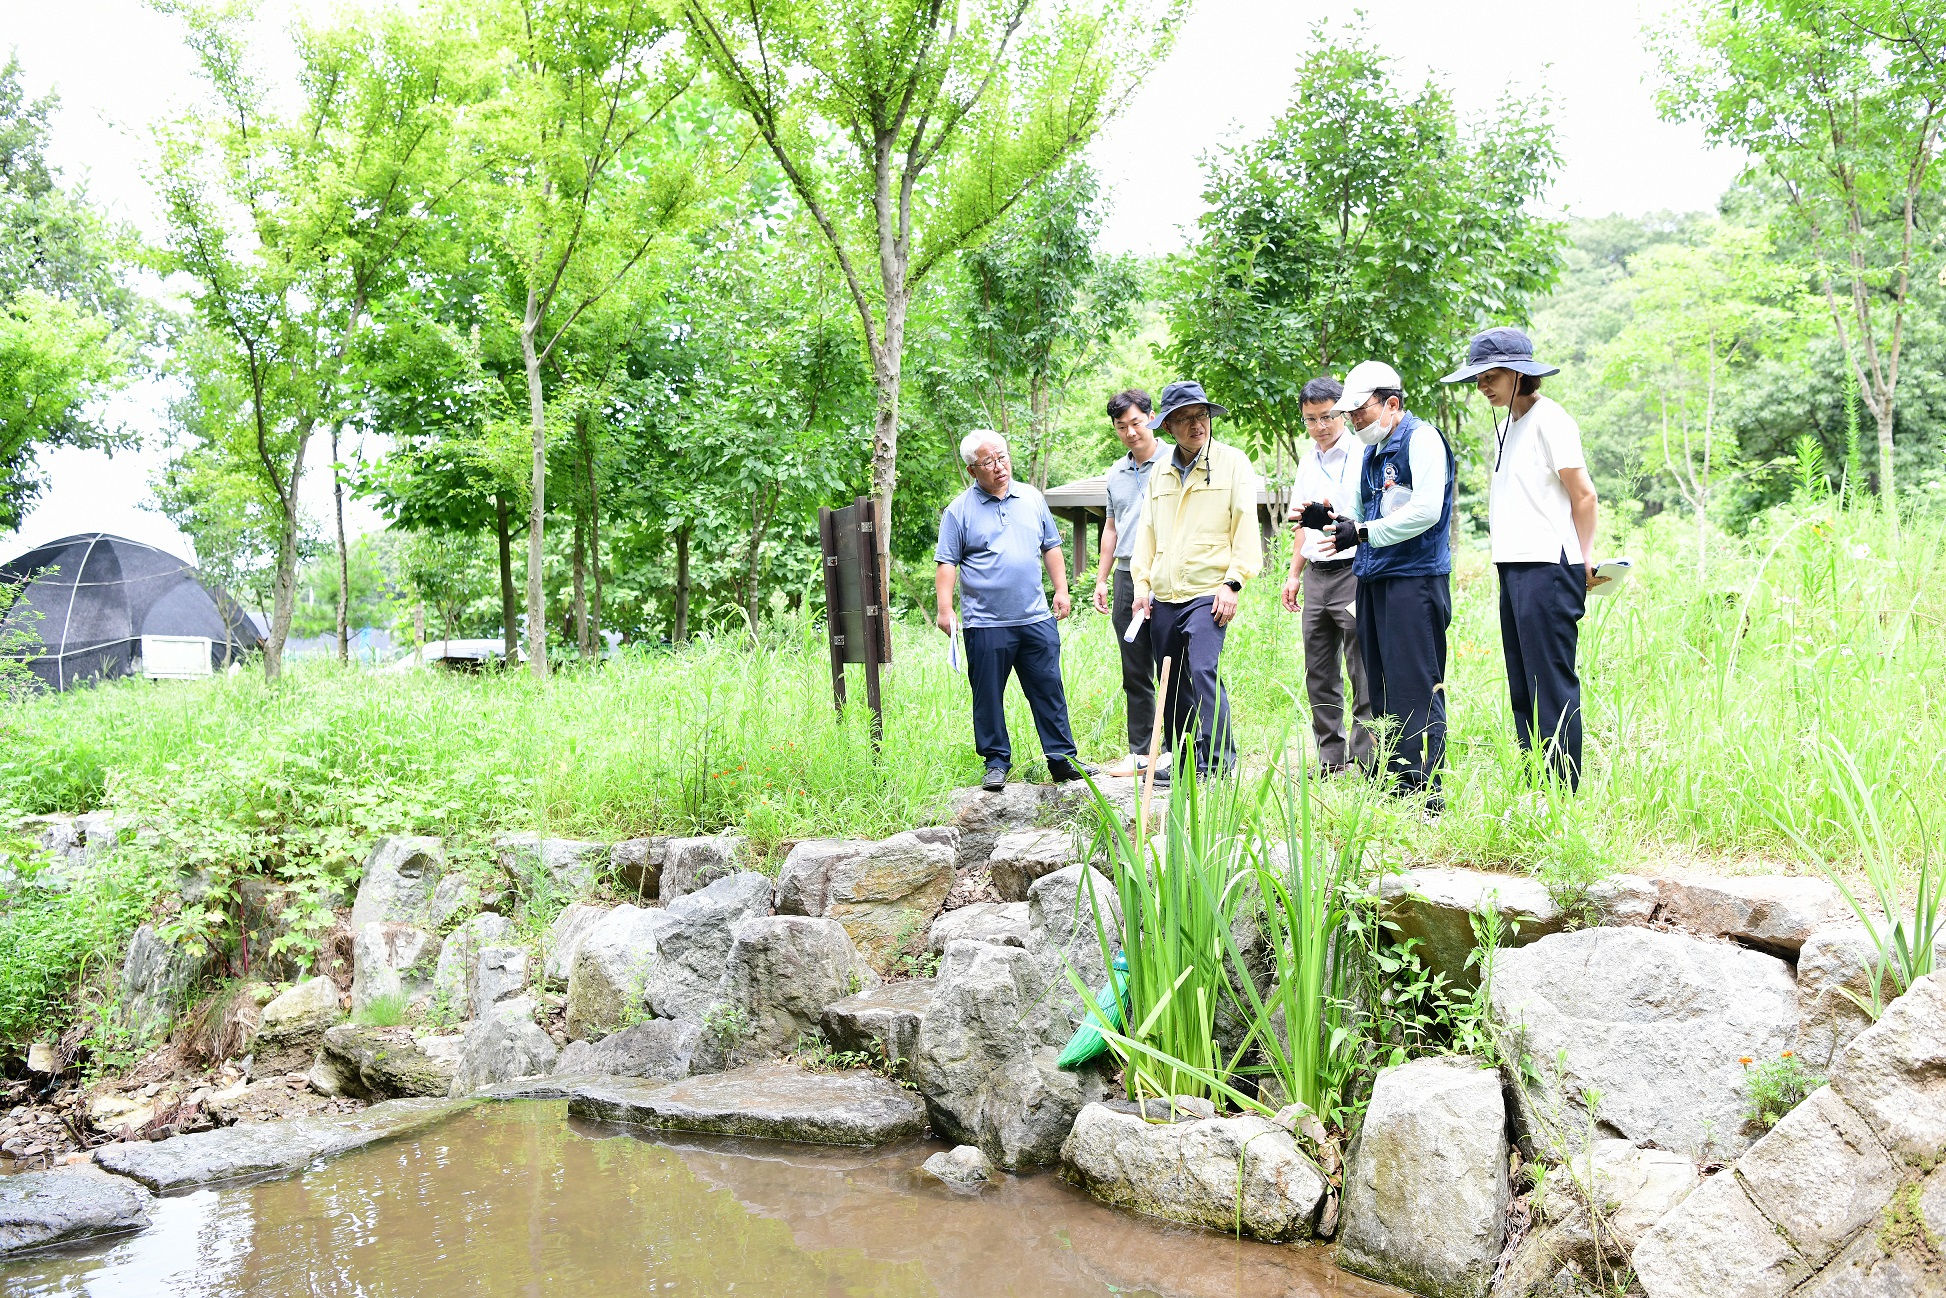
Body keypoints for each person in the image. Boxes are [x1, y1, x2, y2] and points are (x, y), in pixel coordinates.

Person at [1440, 327, 1601, 788]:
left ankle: (1562, 792)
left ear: (1519, 374)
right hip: (1513, 565)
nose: (1483, 387)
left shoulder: (1552, 420)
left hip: (1550, 565)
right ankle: (1538, 784)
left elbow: (1584, 496)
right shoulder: (1510, 424)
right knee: (1522, 683)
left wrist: (1584, 559)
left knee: (1550, 682)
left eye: (1490, 376)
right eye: (1478, 379)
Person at [1322, 361, 1455, 808]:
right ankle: (1397, 782)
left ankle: (1426, 793)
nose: (1352, 421)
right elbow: (1364, 516)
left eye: (1359, 411)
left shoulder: (1422, 439)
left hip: (1415, 580)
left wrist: (1360, 533)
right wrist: (1335, 521)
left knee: (1415, 683)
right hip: (1375, 576)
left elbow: (1425, 511)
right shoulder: (1371, 453)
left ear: (1391, 403)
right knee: (1377, 683)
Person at [935, 430, 1096, 792]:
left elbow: (1051, 546)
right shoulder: (958, 510)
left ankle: (1062, 760)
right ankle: (995, 762)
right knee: (987, 694)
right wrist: (945, 609)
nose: (999, 466)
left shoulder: (1032, 498)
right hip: (986, 623)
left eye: (1002, 457)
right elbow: (947, 563)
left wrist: (1062, 590)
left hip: (1036, 618)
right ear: (972, 470)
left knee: (1048, 689)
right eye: (988, 462)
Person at [1130, 381, 1263, 782]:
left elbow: (1245, 527)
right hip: (1165, 592)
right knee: (1169, 678)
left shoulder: (1233, 463)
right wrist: (1141, 584)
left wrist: (1233, 582)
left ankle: (1220, 762)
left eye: (1201, 415)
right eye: (1184, 418)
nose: (1196, 424)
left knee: (1203, 669)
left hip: (1210, 591)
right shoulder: (1160, 473)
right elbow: (1146, 533)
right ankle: (1187, 761)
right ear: (1168, 426)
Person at [1281, 375, 1375, 774]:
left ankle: (1368, 758)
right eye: (1311, 419)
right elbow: (1301, 521)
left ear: (1342, 412)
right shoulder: (1307, 459)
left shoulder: (1364, 454)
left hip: (1354, 569)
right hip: (1317, 575)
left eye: (1327, 417)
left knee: (1362, 667)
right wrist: (1293, 574)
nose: (1320, 426)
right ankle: (1330, 758)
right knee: (1318, 668)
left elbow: (1373, 516)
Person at [1091, 388, 1165, 778]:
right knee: (1134, 666)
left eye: (1136, 422)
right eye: (1122, 427)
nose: (1131, 432)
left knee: (1175, 662)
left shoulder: (1175, 460)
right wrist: (1101, 580)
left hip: (1167, 573)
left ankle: (1175, 748)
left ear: (1151, 417)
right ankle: (1141, 751)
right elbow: (1111, 526)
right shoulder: (1115, 474)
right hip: (1124, 575)